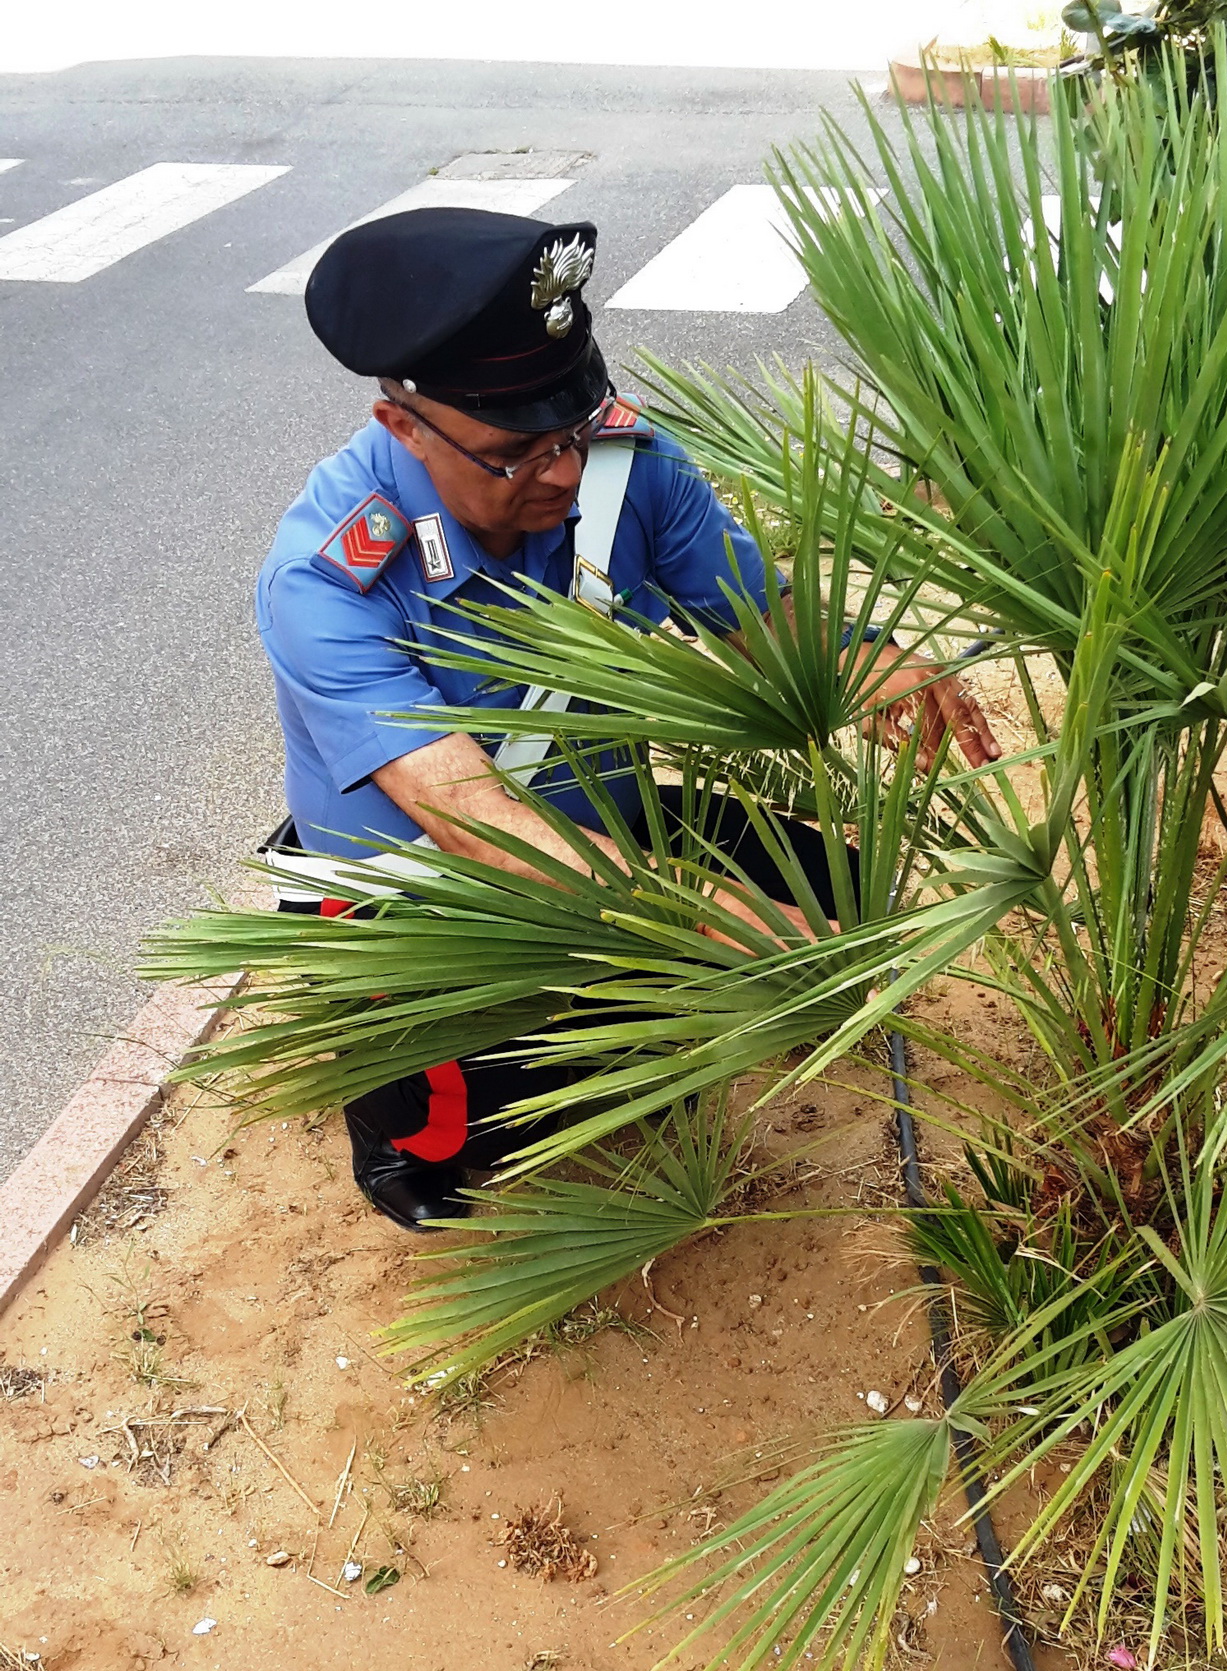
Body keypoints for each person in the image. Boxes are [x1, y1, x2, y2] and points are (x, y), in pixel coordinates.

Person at [257, 206, 1000, 1230]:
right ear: (405, 427)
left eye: (574, 423)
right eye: (519, 450)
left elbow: (766, 616)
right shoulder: (330, 578)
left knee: (836, 900)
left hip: (600, 828)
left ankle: (635, 1004)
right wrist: (694, 915)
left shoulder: (620, 467)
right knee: (457, 1165)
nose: (564, 472)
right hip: (435, 893)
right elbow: (468, 813)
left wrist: (874, 671)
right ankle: (413, 1104)